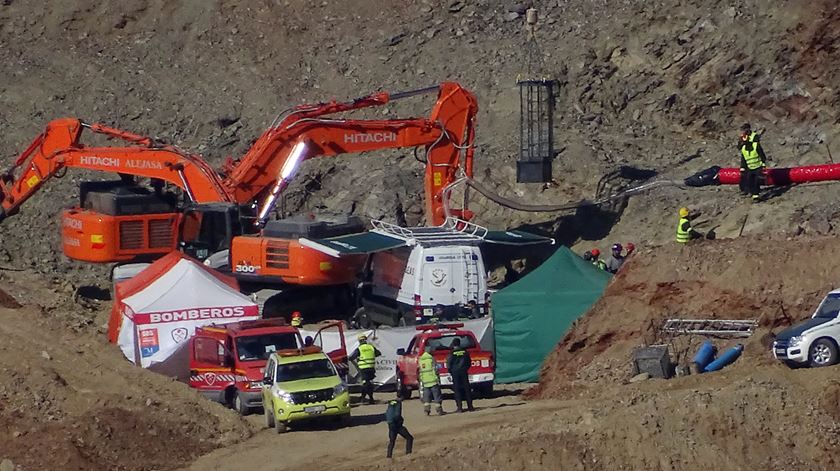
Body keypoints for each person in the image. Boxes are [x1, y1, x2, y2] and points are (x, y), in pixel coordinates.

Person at [738, 123, 767, 202]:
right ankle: (746, 190)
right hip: (749, 162)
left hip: (757, 163)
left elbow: (760, 152)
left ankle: (755, 194)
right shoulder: (743, 142)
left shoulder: (754, 137)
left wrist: (763, 163)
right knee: (747, 177)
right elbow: (740, 148)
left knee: (756, 180)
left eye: (745, 129)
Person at [349, 334, 381, 404]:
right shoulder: (371, 347)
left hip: (364, 369)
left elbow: (351, 357)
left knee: (365, 384)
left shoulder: (359, 349)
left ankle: (366, 398)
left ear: (359, 341)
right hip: (371, 368)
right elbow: (378, 353)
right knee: (368, 383)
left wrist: (357, 358)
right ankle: (366, 398)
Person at [446, 337, 474, 413]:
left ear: (453, 344)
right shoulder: (465, 352)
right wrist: (465, 369)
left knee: (457, 390)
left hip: (455, 373)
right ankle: (470, 407)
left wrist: (451, 371)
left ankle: (460, 408)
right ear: (459, 343)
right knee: (467, 389)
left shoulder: (452, 353)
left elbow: (448, 364)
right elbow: (469, 362)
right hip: (464, 372)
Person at [385, 393, 413, 458]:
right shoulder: (398, 403)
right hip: (396, 425)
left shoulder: (391, 403)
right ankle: (408, 453)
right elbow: (397, 414)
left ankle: (389, 456)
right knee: (409, 438)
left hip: (390, 424)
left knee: (392, 441)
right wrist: (400, 420)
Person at [418, 345, 444, 416]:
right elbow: (436, 369)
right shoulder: (431, 359)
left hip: (425, 381)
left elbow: (420, 371)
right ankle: (439, 411)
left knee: (426, 397)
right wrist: (438, 378)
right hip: (433, 381)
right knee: (437, 396)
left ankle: (427, 411)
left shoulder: (421, 360)